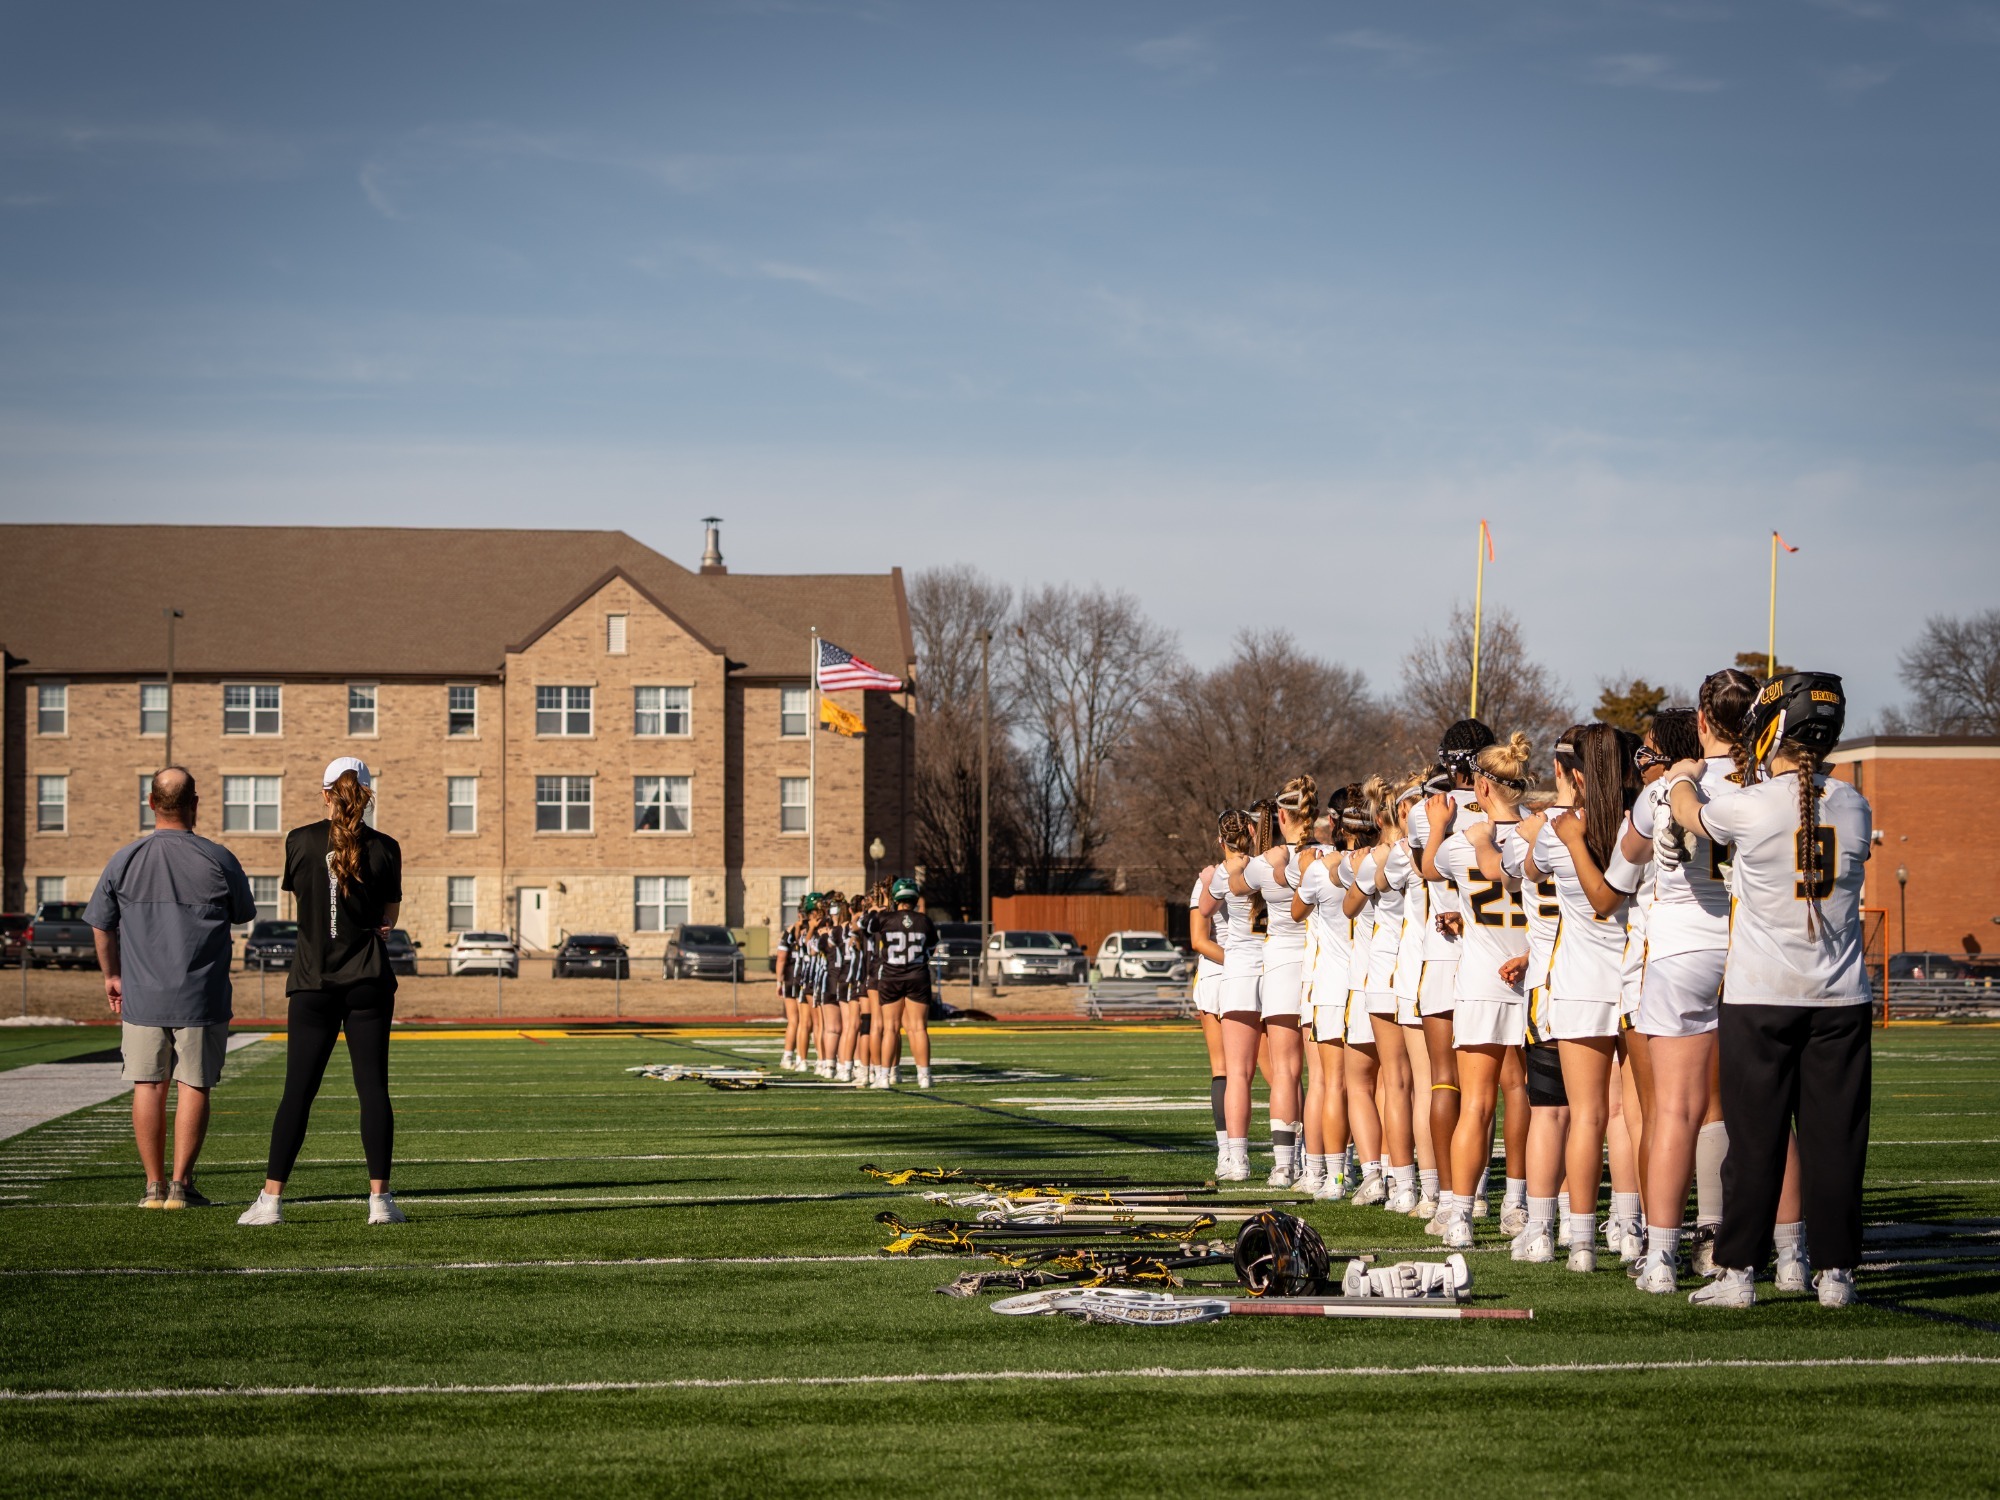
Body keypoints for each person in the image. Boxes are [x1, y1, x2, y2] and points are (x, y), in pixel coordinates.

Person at [1663, 672, 1873, 1310]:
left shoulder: (1748, 804)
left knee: (1754, 1142)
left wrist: (1676, 776)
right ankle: (1834, 1273)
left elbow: (1689, 817)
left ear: (1773, 728)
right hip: (1841, 999)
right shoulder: (1854, 804)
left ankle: (1737, 1272)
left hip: (1761, 997)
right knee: (1835, 1143)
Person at [238, 759, 405, 1227]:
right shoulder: (386, 848)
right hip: (369, 981)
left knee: (297, 1093)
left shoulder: (299, 840)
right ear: (367, 794)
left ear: (326, 793)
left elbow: (303, 899)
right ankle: (380, 1202)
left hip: (312, 981)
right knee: (373, 1089)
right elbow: (387, 917)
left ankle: (271, 1201)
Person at [84, 767, 256, 1210]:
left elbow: (101, 925)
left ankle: (153, 1186)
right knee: (194, 1085)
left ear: (151, 802)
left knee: (148, 1084)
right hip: (202, 995)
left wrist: (112, 974)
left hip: (143, 996)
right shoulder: (218, 858)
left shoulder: (124, 859)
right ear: (195, 803)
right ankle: (181, 1186)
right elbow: (243, 914)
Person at [1430, 732, 1536, 1249]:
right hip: (1536, 976)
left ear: (1482, 785)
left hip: (1481, 980)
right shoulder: (1545, 837)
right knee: (1524, 1095)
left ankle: (1460, 1213)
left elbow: (1436, 868)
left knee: (1475, 1104)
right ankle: (1519, 1203)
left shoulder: (1459, 844)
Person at [872, 878, 937, 1090]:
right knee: (918, 1028)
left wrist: (879, 908)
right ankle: (924, 1076)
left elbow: (867, 928)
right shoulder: (924, 920)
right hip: (918, 975)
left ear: (896, 898)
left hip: (891, 976)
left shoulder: (885, 918)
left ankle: (883, 1077)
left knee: (890, 1028)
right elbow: (932, 947)